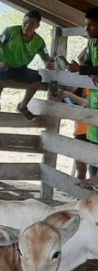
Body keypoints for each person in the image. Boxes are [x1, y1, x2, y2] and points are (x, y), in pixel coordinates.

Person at [0, 10, 55, 121]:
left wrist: (50, 64)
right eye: (26, 22)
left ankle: (23, 106)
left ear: (37, 26)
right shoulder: (10, 31)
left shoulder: (39, 42)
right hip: (3, 66)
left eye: (32, 24)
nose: (27, 26)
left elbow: (47, 60)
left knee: (37, 79)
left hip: (20, 69)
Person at [68, 7, 98, 182]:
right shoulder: (92, 43)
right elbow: (87, 63)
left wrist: (83, 69)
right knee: (94, 146)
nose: (87, 30)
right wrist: (85, 69)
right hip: (94, 102)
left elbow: (85, 67)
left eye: (91, 25)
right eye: (86, 25)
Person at [58, 87, 89, 180]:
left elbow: (88, 103)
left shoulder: (85, 87)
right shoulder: (63, 93)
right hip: (80, 131)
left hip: (91, 131)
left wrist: (70, 95)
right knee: (81, 168)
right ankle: (79, 193)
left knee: (93, 167)